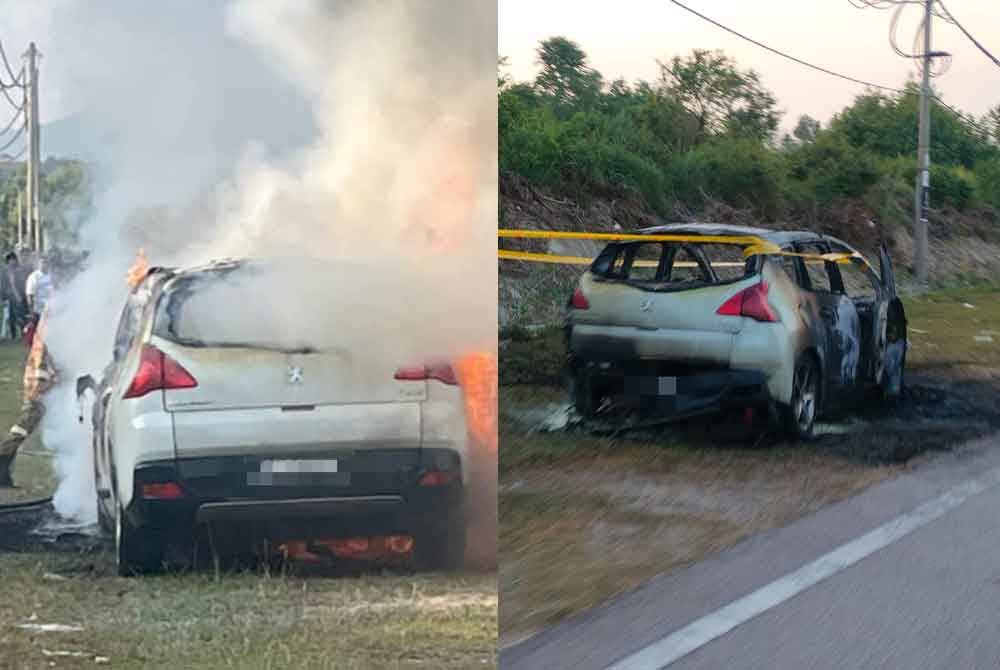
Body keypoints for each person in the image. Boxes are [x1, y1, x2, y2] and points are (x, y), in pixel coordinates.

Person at [0, 307, 55, 487]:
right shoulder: (54, 318)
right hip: (41, 382)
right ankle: (2, 459)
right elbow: (44, 356)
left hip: (44, 380)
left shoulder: (53, 314)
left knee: (26, 425)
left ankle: (3, 468)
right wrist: (42, 384)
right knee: (25, 425)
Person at [1, 252, 27, 340]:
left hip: (19, 296)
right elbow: (2, 285)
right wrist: (3, 298)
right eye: (11, 260)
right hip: (9, 297)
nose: (13, 261)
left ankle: (23, 335)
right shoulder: (4, 271)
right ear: (8, 261)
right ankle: (12, 335)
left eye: (14, 259)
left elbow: (22, 283)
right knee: (10, 318)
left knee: (21, 316)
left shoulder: (19, 270)